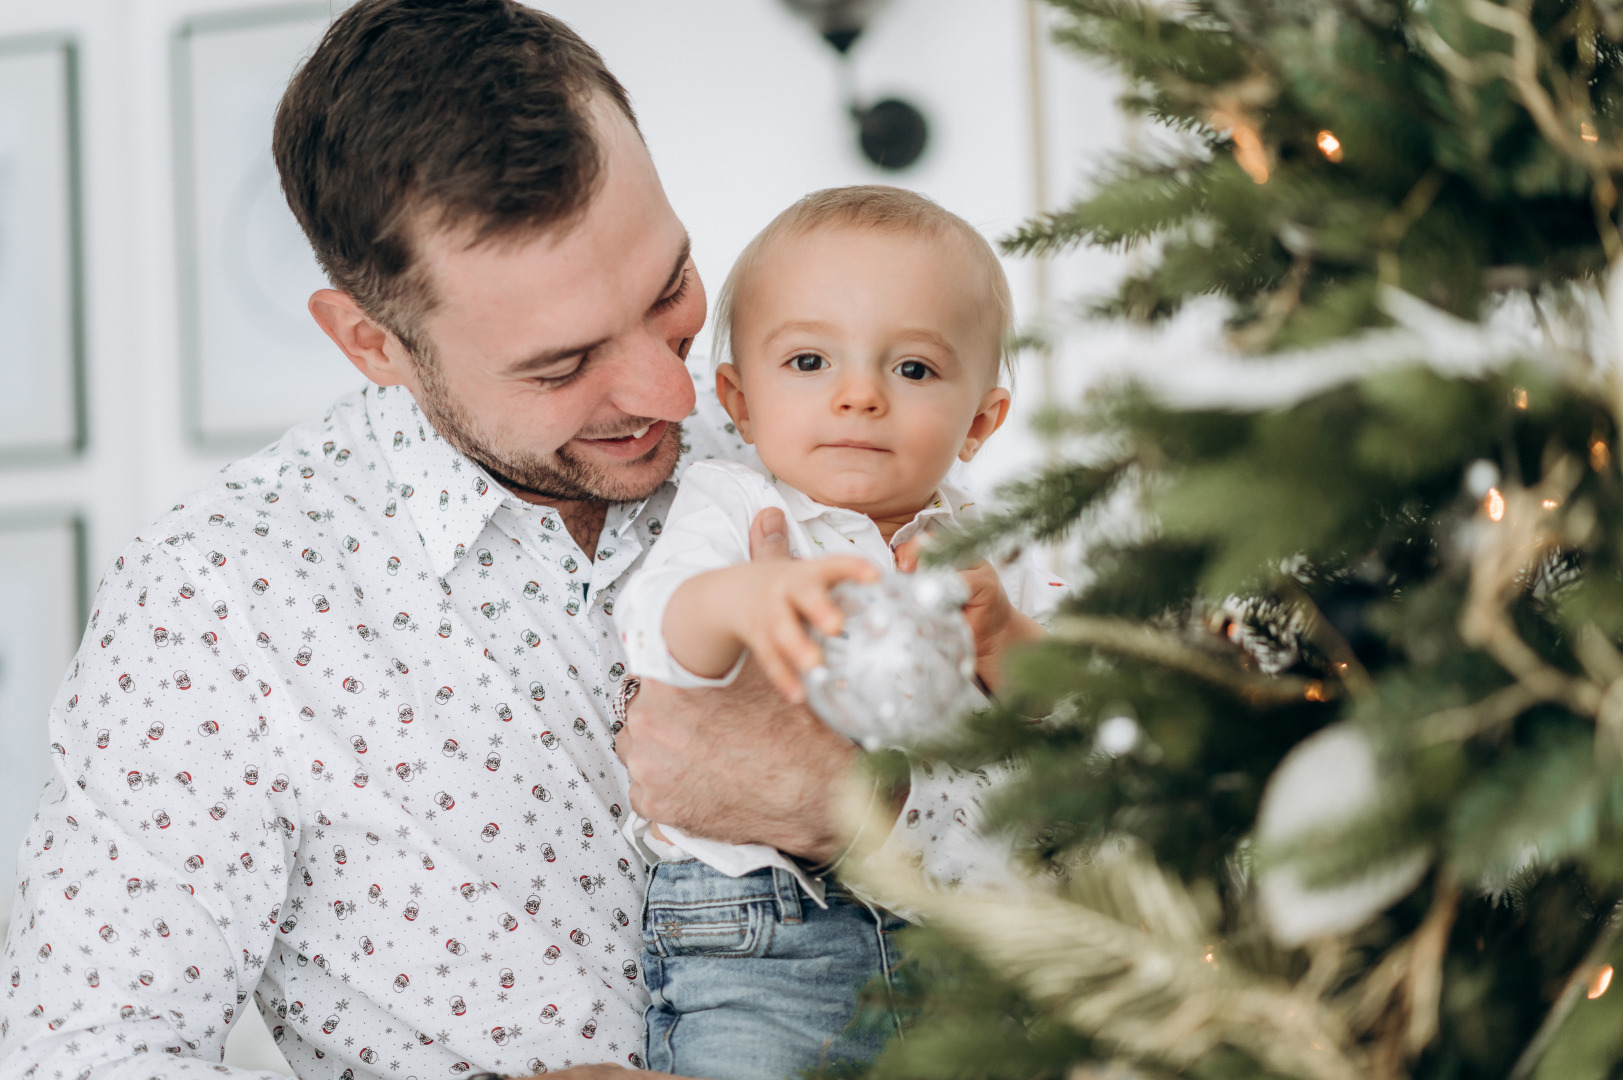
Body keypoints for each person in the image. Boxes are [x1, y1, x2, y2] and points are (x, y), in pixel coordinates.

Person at [0, 4, 1011, 1080]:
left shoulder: (815, 463)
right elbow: (83, 1054)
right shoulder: (218, 605)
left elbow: (1114, 850)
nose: (672, 391)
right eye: (560, 364)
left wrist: (862, 810)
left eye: (669, 289)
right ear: (372, 343)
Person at [614, 187, 1061, 1080]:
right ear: (737, 400)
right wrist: (743, 601)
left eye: (913, 371)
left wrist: (1002, 633)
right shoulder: (736, 505)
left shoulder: (994, 546)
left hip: (966, 947)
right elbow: (657, 632)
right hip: (763, 932)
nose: (858, 396)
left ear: (979, 421)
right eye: (811, 360)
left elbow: (1074, 713)